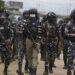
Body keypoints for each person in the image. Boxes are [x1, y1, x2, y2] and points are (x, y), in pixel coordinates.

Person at [23, 8, 41, 75]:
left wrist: (38, 39)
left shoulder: (39, 22)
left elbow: (41, 32)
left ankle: (33, 71)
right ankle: (30, 69)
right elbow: (24, 33)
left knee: (35, 56)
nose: (32, 16)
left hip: (36, 41)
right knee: (28, 55)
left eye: (33, 14)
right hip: (28, 40)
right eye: (31, 14)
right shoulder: (26, 22)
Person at [0, 9, 13, 75]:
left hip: (5, 44)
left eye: (3, 15)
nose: (2, 16)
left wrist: (9, 40)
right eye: (1, 15)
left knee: (8, 57)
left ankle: (5, 70)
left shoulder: (8, 24)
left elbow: (12, 33)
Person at [63, 9, 75, 75]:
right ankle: (69, 71)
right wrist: (72, 35)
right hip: (71, 43)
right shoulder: (69, 23)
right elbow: (65, 33)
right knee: (70, 58)